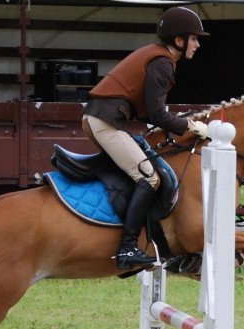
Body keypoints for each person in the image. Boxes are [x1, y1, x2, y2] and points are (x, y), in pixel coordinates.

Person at [82, 6, 210, 269]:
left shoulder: (156, 55)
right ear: (179, 40)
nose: (197, 44)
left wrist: (179, 121)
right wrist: (190, 126)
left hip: (99, 118)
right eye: (194, 38)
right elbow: (158, 114)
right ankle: (127, 249)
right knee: (148, 176)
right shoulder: (163, 62)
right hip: (105, 121)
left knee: (137, 171)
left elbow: (151, 113)